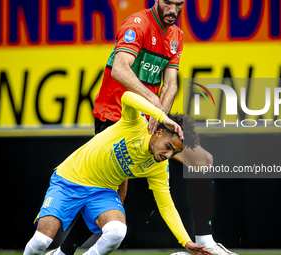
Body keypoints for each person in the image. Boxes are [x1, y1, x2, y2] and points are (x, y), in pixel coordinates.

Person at [47, 0, 237, 255]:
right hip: (116, 117)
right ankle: (62, 253)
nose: (173, 10)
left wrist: (160, 112)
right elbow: (119, 68)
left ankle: (206, 241)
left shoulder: (176, 35)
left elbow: (171, 84)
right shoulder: (137, 25)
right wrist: (153, 102)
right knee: (113, 199)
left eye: (179, 4)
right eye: (168, 3)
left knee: (202, 160)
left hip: (152, 120)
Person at [24, 91, 212, 255]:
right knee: (40, 242)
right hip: (69, 180)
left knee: (116, 232)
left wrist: (185, 241)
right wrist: (161, 116)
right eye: (168, 147)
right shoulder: (135, 124)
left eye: (175, 153)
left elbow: (166, 206)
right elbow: (127, 96)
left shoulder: (159, 167)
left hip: (102, 192)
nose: (168, 155)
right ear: (158, 132)